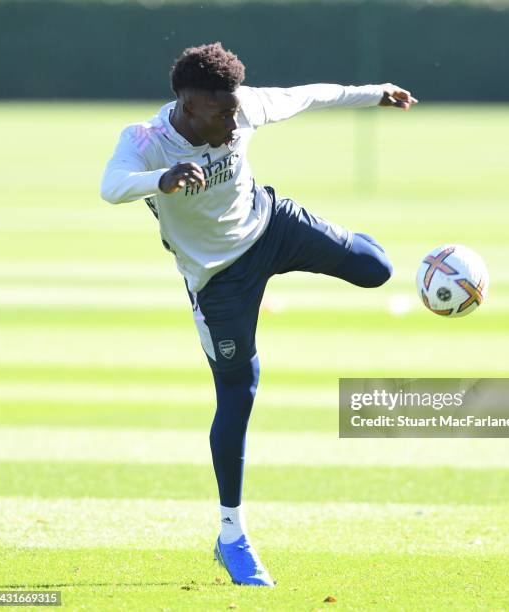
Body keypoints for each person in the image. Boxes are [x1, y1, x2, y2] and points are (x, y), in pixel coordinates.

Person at [100, 41, 418, 587]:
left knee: (375, 268)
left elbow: (309, 96)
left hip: (270, 226)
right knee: (240, 391)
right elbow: (110, 187)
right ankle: (231, 535)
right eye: (221, 112)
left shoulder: (242, 106)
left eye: (234, 108)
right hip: (218, 280)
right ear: (186, 103)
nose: (233, 118)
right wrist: (162, 179)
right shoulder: (146, 141)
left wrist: (376, 94)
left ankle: (322, 245)